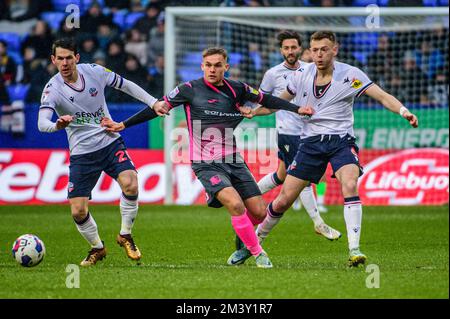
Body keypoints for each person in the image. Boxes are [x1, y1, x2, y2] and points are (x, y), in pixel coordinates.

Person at [101, 47, 314, 268]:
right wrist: (123, 124)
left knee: (259, 212)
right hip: (205, 163)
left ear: (226, 67)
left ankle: (244, 241)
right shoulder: (189, 89)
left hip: (233, 159)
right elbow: (158, 108)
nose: (212, 69)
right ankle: (258, 253)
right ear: (202, 66)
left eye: (217, 65)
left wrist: (297, 109)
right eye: (208, 65)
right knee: (235, 205)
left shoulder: (238, 89)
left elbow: (268, 99)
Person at [234, 31, 418, 267]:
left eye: (324, 49)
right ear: (309, 51)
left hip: (341, 141)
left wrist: (404, 112)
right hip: (310, 143)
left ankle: (355, 249)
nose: (318, 54)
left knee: (350, 183)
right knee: (282, 201)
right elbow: (277, 103)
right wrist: (253, 111)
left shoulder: (351, 75)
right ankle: (254, 245)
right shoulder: (301, 74)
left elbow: (382, 96)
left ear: (335, 50)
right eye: (314, 50)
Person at [37, 38, 159, 266]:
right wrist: (57, 126)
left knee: (131, 182)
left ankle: (125, 235)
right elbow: (41, 123)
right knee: (78, 211)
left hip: (110, 140)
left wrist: (153, 103)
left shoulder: (94, 71)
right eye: (60, 58)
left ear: (77, 58)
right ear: (53, 60)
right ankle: (97, 248)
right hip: (82, 153)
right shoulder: (52, 89)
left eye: (68, 58)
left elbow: (126, 85)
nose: (64, 63)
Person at [253, 30, 339, 240]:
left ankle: (247, 194)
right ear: (281, 50)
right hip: (288, 133)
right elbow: (263, 99)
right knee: (304, 178)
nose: (290, 51)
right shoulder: (272, 74)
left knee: (282, 175)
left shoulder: (311, 70)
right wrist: (252, 110)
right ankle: (318, 222)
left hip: (311, 132)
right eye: (286, 48)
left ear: (301, 49)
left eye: (294, 47)